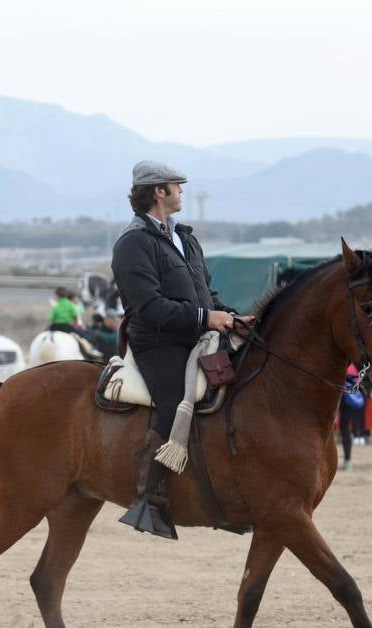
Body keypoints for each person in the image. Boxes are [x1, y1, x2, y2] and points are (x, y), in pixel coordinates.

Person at [110, 160, 243, 539]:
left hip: (198, 334)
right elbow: (148, 307)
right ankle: (149, 499)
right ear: (159, 192)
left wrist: (231, 316)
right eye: (177, 186)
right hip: (158, 343)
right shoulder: (132, 243)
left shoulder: (186, 237)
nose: (182, 192)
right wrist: (205, 318)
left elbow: (207, 294)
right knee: (173, 404)